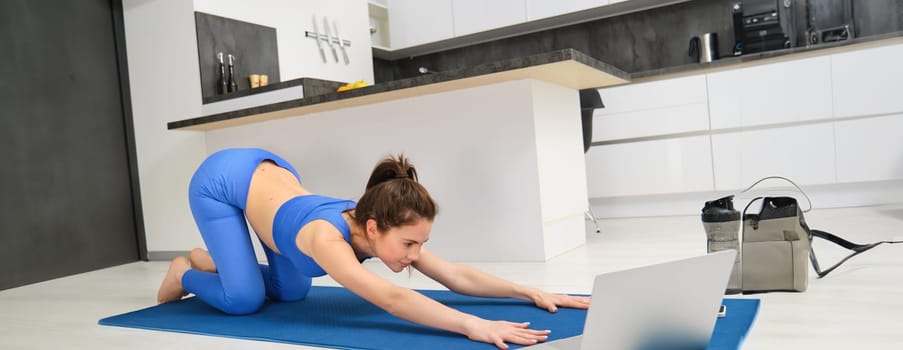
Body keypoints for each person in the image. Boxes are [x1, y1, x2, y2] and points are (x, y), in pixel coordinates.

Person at [157, 147, 590, 349]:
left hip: (272, 174)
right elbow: (392, 297)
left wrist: (530, 291)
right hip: (222, 181)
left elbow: (455, 275)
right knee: (246, 300)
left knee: (291, 291)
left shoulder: (377, 218)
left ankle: (214, 261)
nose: (414, 254)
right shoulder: (327, 240)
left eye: (421, 243)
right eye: (408, 244)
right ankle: (185, 271)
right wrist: (471, 325)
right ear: (371, 227)